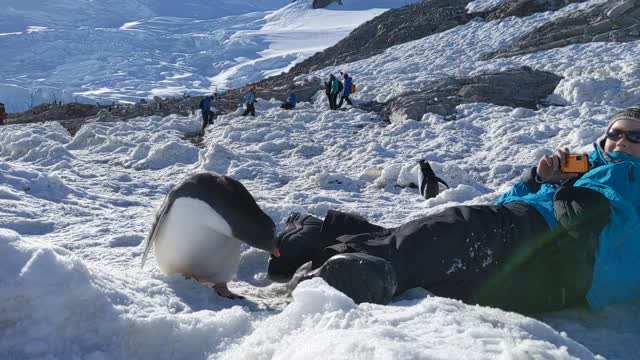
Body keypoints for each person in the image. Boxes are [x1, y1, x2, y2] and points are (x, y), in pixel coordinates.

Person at [264, 106, 640, 314]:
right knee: (444, 242)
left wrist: (599, 208)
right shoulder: (583, 167)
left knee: (451, 233)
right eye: (615, 133)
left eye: (635, 135)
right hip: (523, 234)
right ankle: (330, 244)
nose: (621, 140)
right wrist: (537, 179)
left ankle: (330, 242)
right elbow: (503, 204)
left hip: (564, 273)